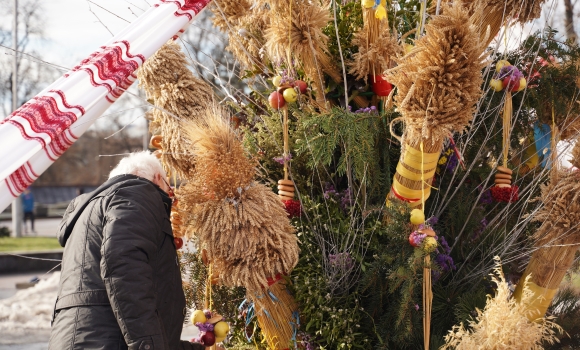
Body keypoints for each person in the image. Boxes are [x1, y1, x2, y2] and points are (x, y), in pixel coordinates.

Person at [48, 151, 205, 350]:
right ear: (157, 178)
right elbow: (125, 269)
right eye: (169, 188)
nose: (169, 198)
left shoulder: (91, 210)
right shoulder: (136, 193)